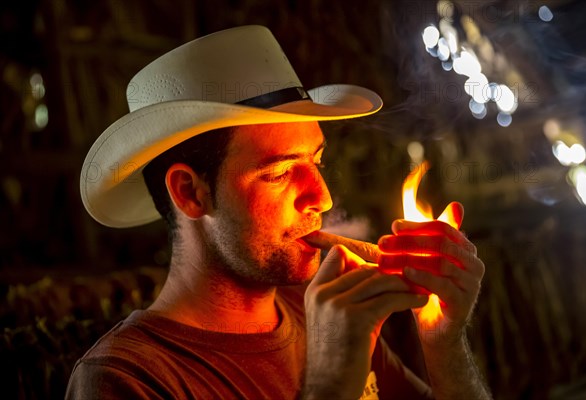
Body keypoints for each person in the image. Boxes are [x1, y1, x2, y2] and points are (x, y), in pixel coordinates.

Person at [67, 26, 490, 399]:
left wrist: (443, 340)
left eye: (317, 163)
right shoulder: (127, 378)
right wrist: (330, 385)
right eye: (281, 173)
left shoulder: (320, 317)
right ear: (190, 193)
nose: (322, 198)